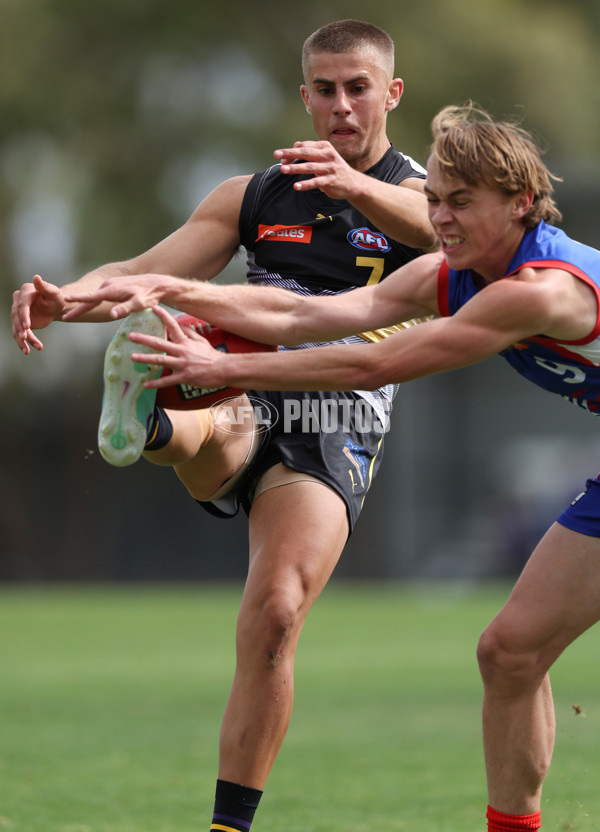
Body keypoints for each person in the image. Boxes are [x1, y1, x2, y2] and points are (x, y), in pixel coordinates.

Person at [63, 102, 600, 832]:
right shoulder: (459, 272)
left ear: (521, 203)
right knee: (508, 655)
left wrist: (218, 362)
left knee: (508, 652)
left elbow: (375, 359)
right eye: (435, 201)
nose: (439, 220)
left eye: (461, 204)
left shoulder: (537, 289)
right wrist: (172, 289)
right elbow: (317, 315)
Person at [11, 19, 436, 831]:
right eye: (324, 88)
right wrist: (67, 297)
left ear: (391, 92)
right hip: (236, 366)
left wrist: (355, 186)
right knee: (215, 394)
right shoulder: (253, 195)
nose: (341, 105)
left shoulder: (425, 193)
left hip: (336, 398)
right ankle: (153, 424)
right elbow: (144, 274)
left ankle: (226, 825)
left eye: (357, 87)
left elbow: (443, 235)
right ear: (303, 94)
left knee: (275, 611)